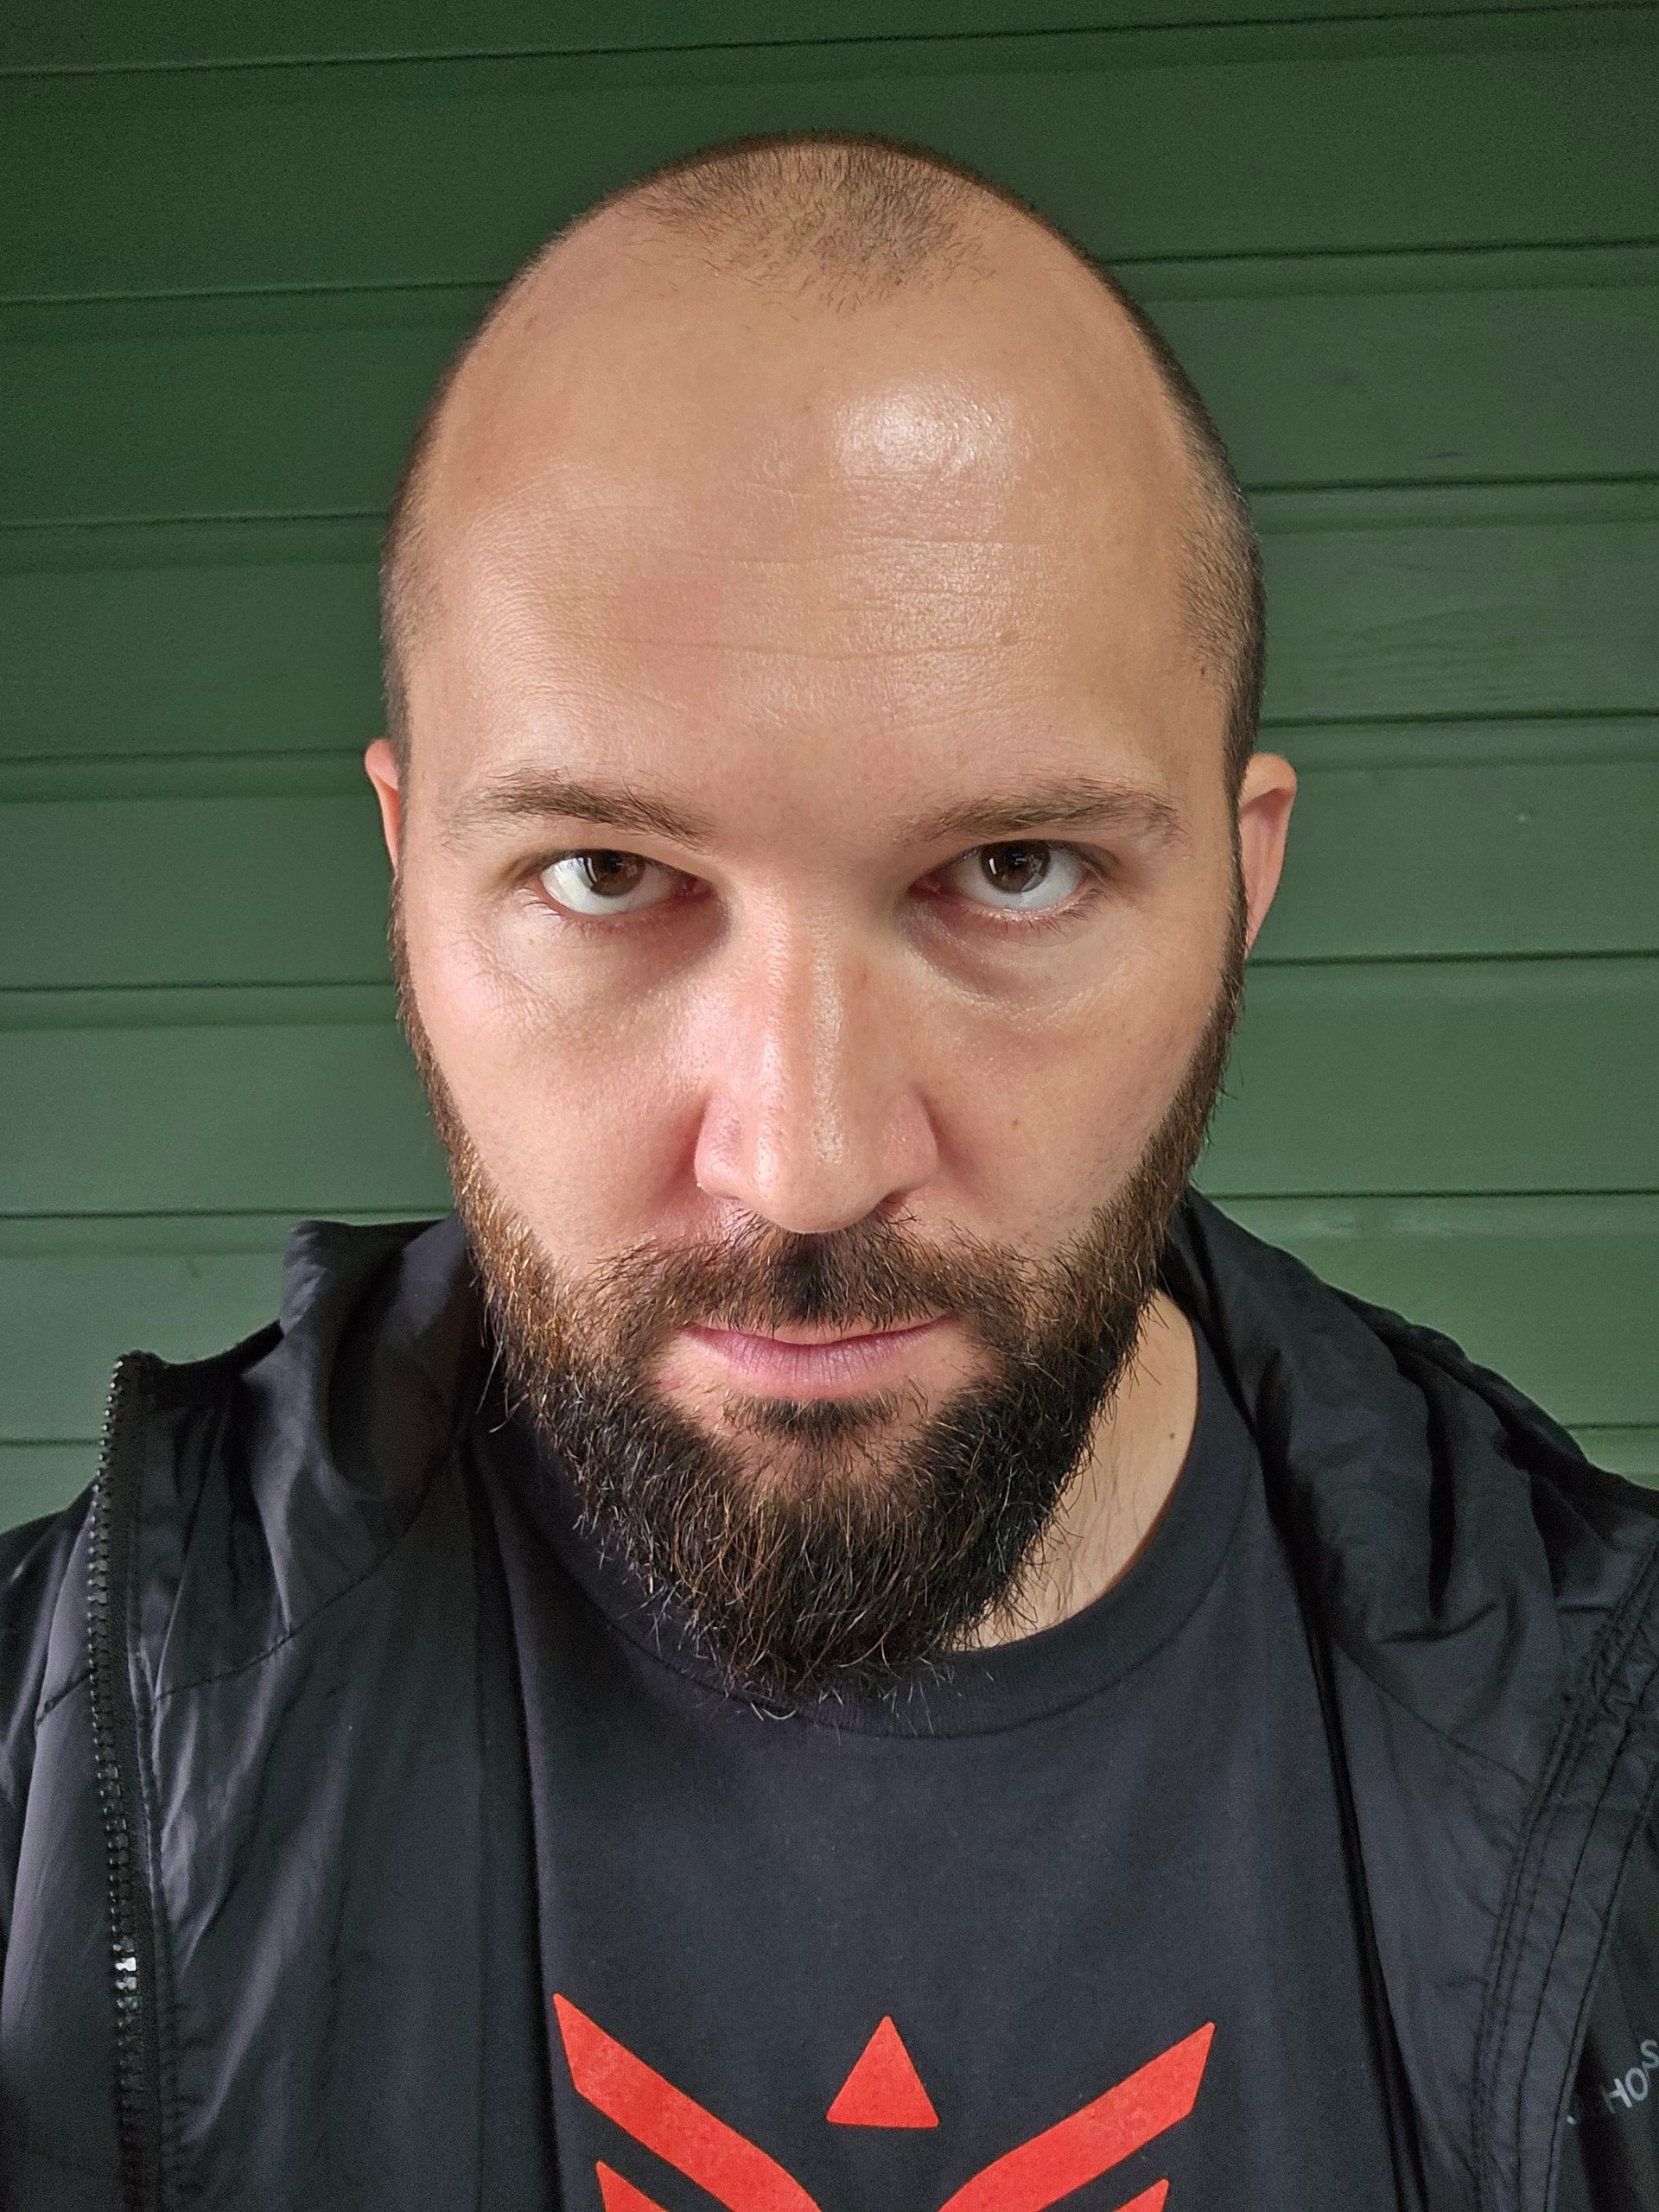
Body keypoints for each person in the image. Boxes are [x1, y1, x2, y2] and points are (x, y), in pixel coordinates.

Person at [0, 131, 1652, 2212]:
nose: (801, 1163)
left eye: (1012, 871)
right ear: (409, 880)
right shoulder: (47, 1794)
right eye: (608, 874)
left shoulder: (1627, 1765)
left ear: (1241, 893)